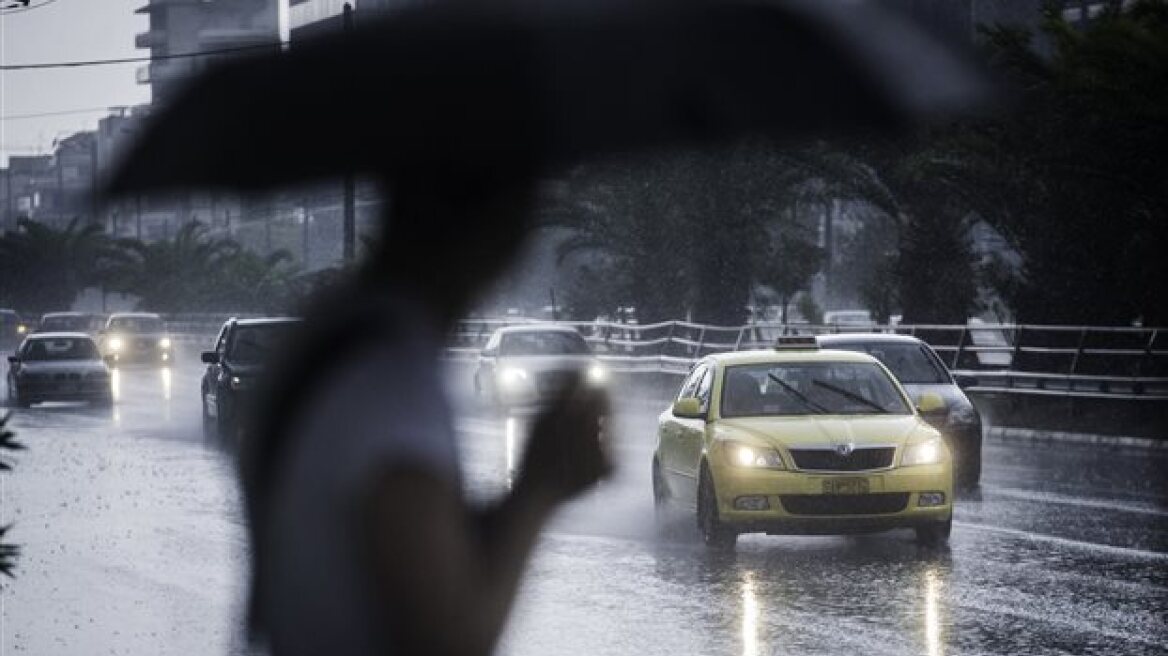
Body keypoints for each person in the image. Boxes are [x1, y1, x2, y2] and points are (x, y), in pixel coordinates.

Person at [240, 175, 611, 656]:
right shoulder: (392, 379)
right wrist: (539, 487)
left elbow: (411, 552)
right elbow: (447, 638)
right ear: (496, 228)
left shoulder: (325, 337)